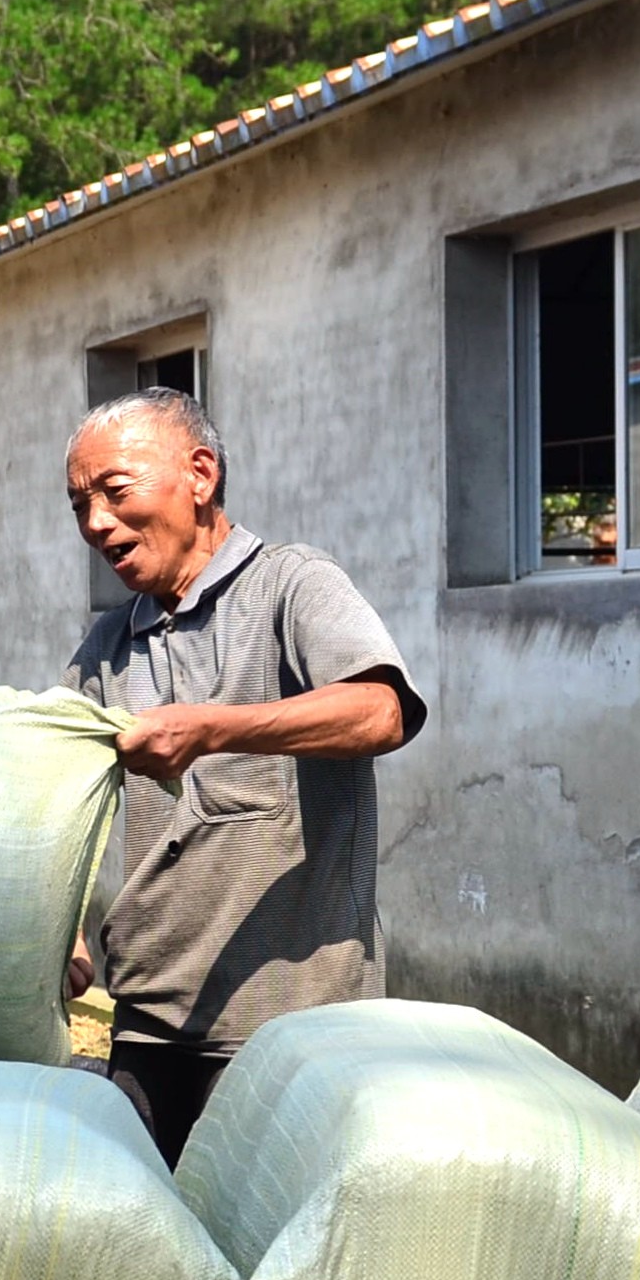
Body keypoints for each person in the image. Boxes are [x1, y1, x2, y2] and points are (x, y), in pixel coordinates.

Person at [61, 388, 425, 1163]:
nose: (96, 523)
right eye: (79, 505)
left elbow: (380, 710)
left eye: (115, 492)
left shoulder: (292, 584)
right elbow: (57, 799)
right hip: (146, 1025)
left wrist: (213, 727)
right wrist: (52, 929)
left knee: (270, 1264)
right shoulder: (106, 646)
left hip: (292, 1030)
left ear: (200, 473)